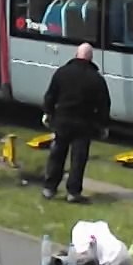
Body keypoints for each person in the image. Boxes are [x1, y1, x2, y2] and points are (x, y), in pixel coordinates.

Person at [40, 42, 110, 204]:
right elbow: (103, 105)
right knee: (78, 159)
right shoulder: (96, 79)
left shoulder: (62, 73)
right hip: (84, 123)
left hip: (62, 120)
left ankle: (49, 188)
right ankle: (73, 192)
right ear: (91, 58)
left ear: (76, 54)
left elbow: (51, 95)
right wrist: (103, 125)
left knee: (57, 155)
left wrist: (48, 112)